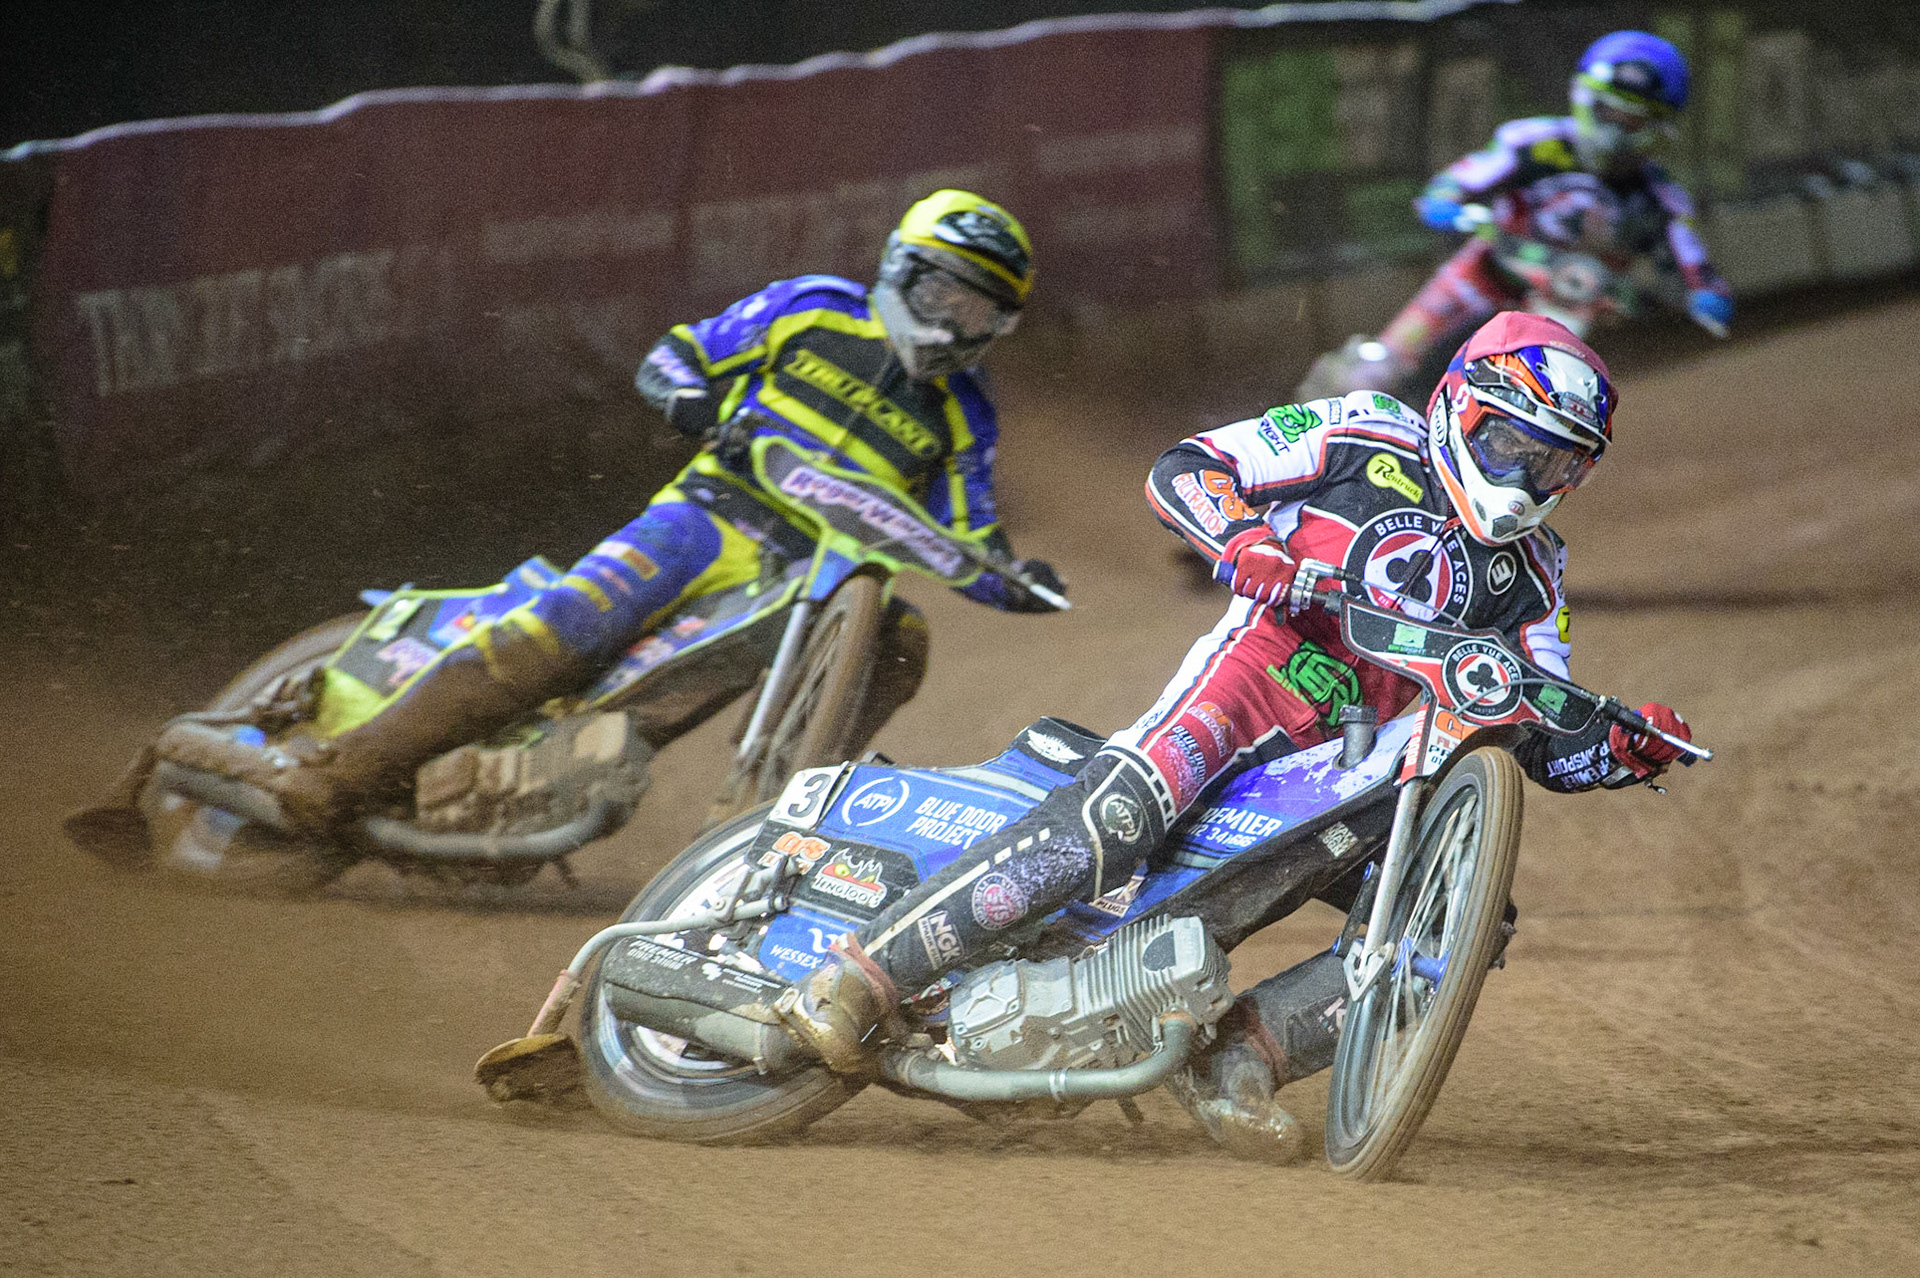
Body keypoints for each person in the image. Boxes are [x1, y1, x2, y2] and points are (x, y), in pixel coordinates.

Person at [767, 311, 1694, 1162]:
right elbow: (1188, 467)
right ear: (1458, 404)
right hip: (1259, 673)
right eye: (1512, 446)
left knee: (1467, 921)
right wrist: (1248, 542)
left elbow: (1534, 708)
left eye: (1556, 464)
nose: (1528, 480)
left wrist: (1613, 748)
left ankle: (1238, 1059)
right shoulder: (1364, 429)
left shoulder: (1537, 570)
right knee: (1123, 817)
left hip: (1359, 759)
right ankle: (862, 978)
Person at [254, 189, 1064, 833]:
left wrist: (1016, 579)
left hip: (816, 580)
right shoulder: (810, 307)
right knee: (562, 632)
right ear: (900, 268)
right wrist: (693, 403)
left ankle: (784, 821)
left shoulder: (967, 411)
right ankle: (337, 771)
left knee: (902, 637)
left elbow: (969, 532)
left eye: (978, 311)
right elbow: (680, 355)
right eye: (944, 293)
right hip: (710, 518)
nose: (954, 322)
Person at [1320, 30, 1733, 396]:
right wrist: (1444, 202)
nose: (1615, 131)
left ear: (1657, 128)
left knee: (1524, 403)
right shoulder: (1533, 142)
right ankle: (1313, 427)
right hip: (1482, 270)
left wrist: (1705, 296)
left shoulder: (1661, 198)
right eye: (1609, 112)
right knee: (1373, 370)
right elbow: (1460, 180)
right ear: (1586, 97)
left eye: (1632, 120)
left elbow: (1698, 269)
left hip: (1563, 307)